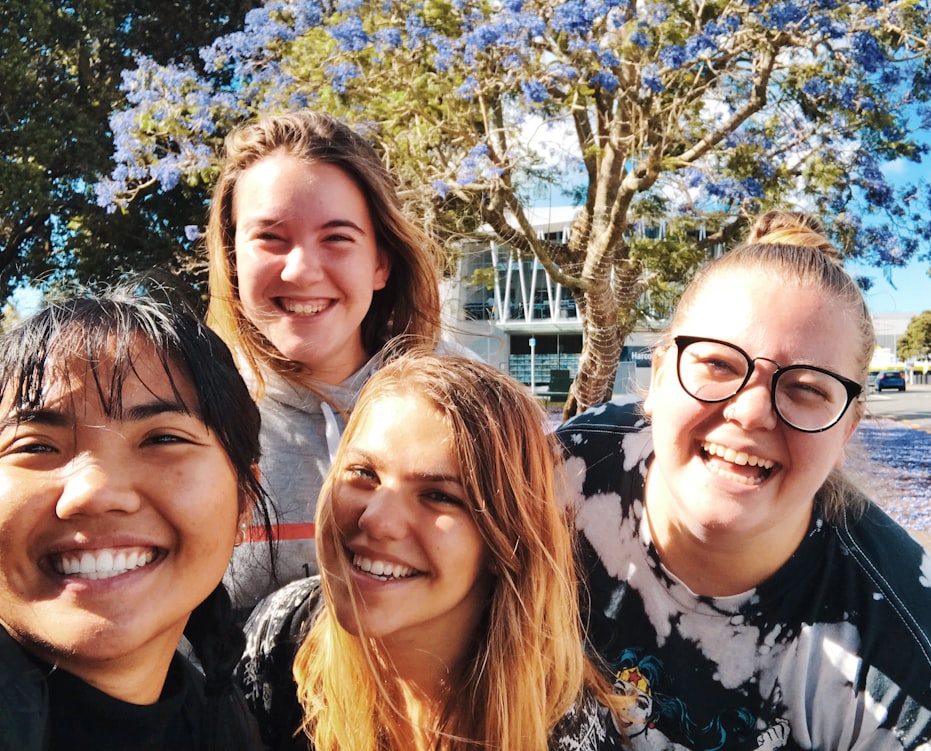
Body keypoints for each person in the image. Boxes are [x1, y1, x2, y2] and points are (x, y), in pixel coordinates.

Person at [556, 211, 931, 750]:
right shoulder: (565, 472)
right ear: (657, 376)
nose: (751, 412)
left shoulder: (922, 694)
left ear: (846, 432)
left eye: (808, 389)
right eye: (718, 364)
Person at [238, 352, 623, 751]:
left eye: (439, 496)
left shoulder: (565, 730)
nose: (376, 519)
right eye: (363, 474)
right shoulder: (279, 637)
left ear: (505, 540)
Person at [0, 284, 267, 750]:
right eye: (35, 446)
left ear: (244, 499)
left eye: (163, 439)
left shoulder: (225, 720)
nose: (93, 493)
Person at [204, 110, 446, 609]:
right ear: (232, 258)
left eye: (337, 238)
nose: (302, 271)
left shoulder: (463, 409)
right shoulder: (189, 418)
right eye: (270, 238)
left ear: (380, 262)